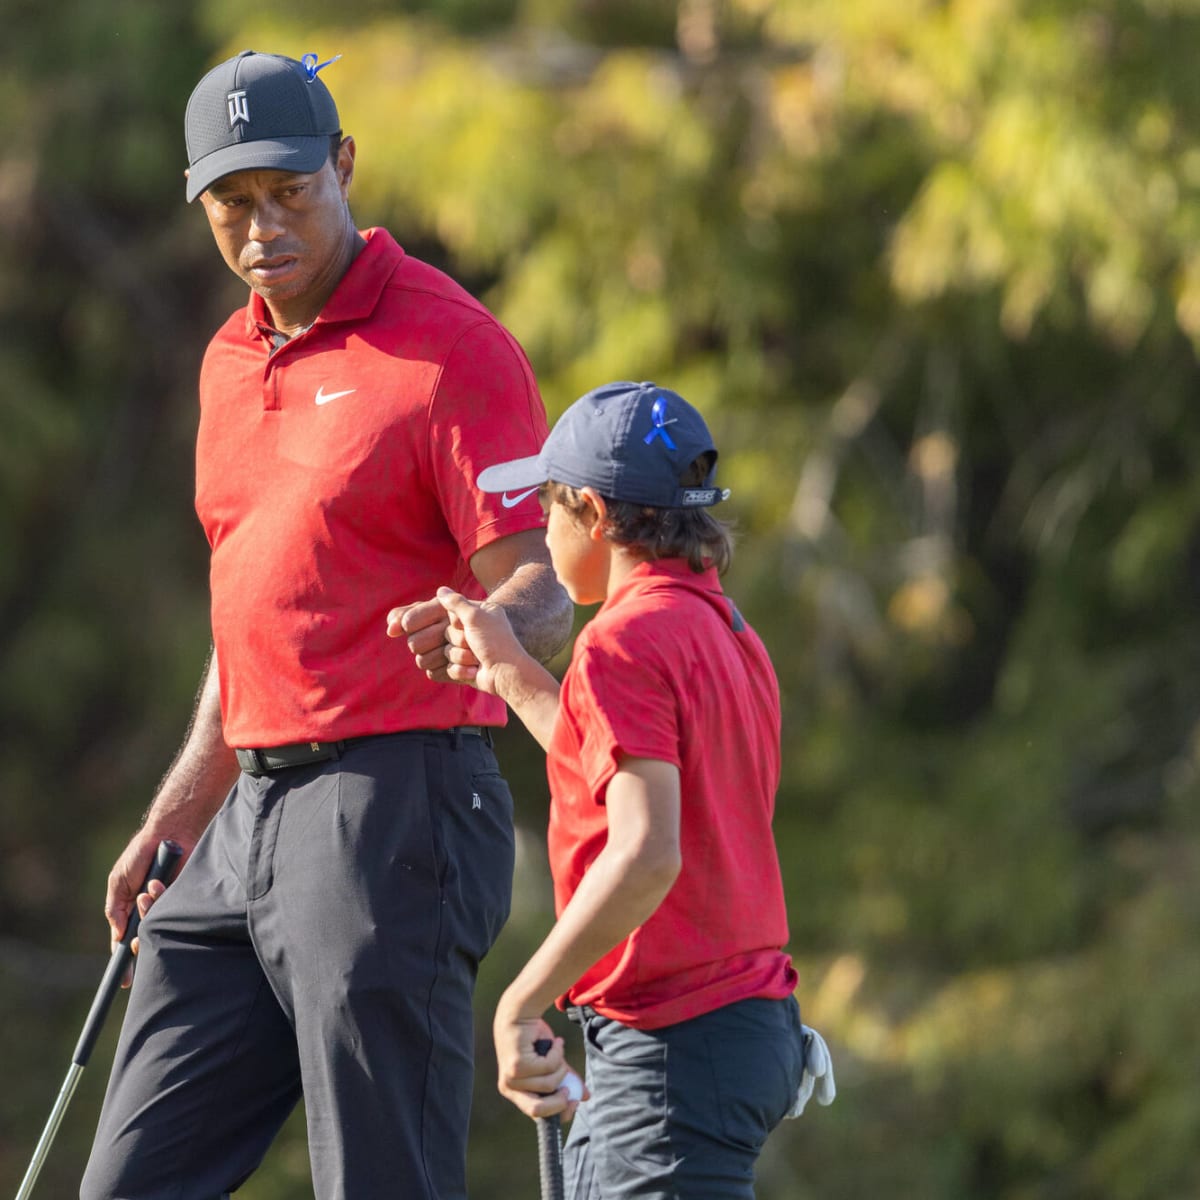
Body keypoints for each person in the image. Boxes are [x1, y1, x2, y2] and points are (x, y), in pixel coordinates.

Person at [80, 49, 572, 1200]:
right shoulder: (226, 361)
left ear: (343, 165)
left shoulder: (449, 347)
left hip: (392, 804)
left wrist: (486, 635)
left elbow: (544, 587)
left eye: (290, 191)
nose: (263, 227)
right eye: (232, 204)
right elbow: (252, 614)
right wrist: (178, 815)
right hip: (245, 821)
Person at [408, 380, 813, 1198]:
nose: (543, 537)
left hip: (673, 1047)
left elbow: (645, 853)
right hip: (741, 1030)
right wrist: (510, 672)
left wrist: (521, 1001)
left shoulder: (623, 643)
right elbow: (613, 773)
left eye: (547, 513)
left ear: (591, 514)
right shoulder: (722, 627)